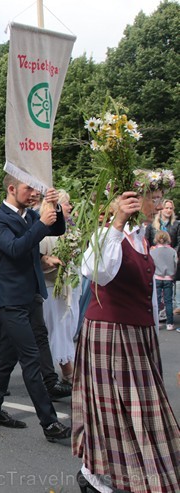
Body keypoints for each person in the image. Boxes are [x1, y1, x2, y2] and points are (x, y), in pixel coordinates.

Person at [74, 184, 180, 492]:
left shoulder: (141, 237)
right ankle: (95, 476)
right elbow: (98, 273)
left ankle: (107, 474)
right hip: (111, 333)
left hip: (136, 334)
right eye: (154, 198)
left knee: (140, 409)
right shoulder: (108, 234)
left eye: (161, 198)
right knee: (117, 411)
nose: (159, 204)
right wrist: (117, 222)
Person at [0, 174, 71, 442]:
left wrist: (53, 207)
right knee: (31, 359)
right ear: (11, 188)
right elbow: (15, 248)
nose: (34, 193)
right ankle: (50, 423)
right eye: (28, 188)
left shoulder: (29, 216)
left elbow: (57, 230)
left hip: (31, 296)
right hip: (10, 300)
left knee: (7, 358)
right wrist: (41, 222)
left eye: (35, 189)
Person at [39, 191, 80, 383]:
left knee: (67, 327)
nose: (70, 207)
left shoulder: (70, 230)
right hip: (51, 288)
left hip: (68, 286)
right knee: (58, 328)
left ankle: (61, 368)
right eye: (66, 204)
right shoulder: (45, 231)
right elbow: (38, 261)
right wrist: (51, 261)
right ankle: (67, 371)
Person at [151, 230, 178, 332]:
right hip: (168, 278)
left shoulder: (152, 251)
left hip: (157, 277)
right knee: (168, 301)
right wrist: (172, 274)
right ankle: (170, 323)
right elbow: (175, 264)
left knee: (156, 301)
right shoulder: (172, 251)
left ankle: (156, 323)